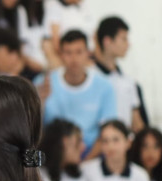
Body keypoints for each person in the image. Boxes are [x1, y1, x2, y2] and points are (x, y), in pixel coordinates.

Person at [38, 30, 117, 159]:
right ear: (61, 55)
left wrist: (84, 164)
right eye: (68, 53)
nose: (74, 59)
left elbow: (108, 131)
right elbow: (31, 130)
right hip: (51, 154)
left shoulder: (104, 86)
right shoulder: (43, 84)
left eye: (79, 52)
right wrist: (41, 102)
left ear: (88, 53)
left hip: (91, 155)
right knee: (26, 158)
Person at [94, 16, 146, 132]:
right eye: (124, 39)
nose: (128, 45)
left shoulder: (128, 81)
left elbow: (136, 123)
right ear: (107, 41)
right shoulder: (88, 77)